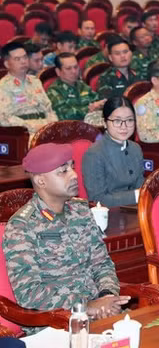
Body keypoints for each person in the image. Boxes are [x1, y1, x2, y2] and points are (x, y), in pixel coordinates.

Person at [4, 143, 130, 333]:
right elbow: (29, 294)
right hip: (56, 324)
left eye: (72, 167)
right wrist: (86, 306)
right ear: (41, 181)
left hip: (98, 314)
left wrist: (107, 296)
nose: (74, 175)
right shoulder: (22, 225)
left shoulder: (80, 210)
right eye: (63, 171)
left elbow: (102, 263)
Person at [82, 96, 145, 207]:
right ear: (105, 123)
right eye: (117, 121)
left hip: (136, 210)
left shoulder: (135, 148)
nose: (124, 127)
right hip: (109, 215)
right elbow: (97, 199)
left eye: (129, 120)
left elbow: (140, 184)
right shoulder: (95, 154)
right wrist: (136, 195)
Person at [0, 41, 57, 136]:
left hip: (45, 130)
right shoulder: (3, 86)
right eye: (17, 59)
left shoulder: (35, 81)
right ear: (7, 64)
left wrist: (51, 124)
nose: (23, 61)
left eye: (25, 57)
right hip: (24, 134)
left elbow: (49, 109)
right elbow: (4, 118)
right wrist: (32, 126)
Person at [46, 52, 105, 121]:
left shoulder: (82, 85)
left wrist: (100, 105)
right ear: (58, 71)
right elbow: (65, 115)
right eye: (68, 68)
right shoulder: (54, 90)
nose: (74, 71)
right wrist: (89, 109)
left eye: (76, 67)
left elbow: (97, 100)